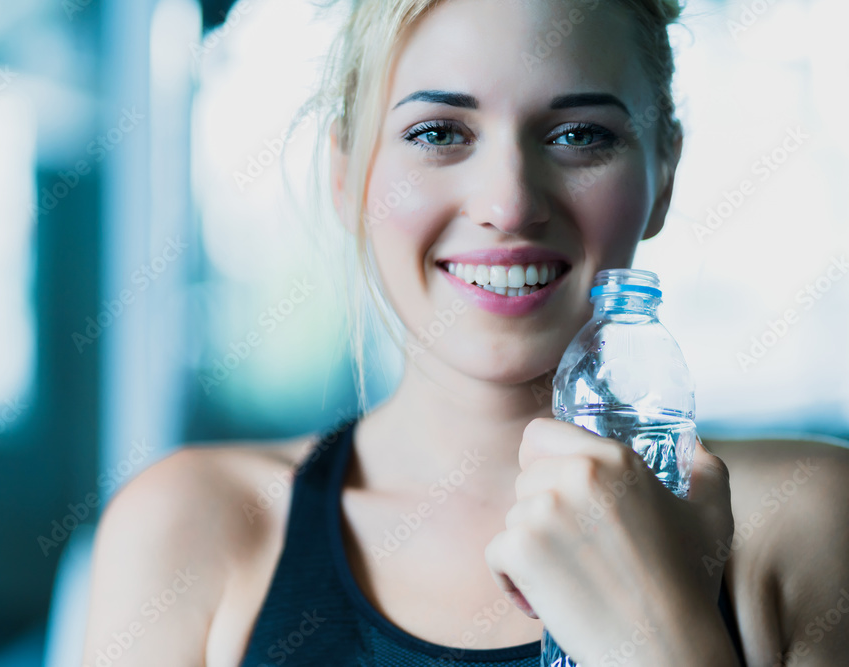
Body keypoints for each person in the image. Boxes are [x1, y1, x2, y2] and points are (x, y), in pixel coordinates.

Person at [82, 1, 849, 665]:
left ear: (665, 172)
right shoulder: (190, 527)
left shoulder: (806, 518)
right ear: (347, 176)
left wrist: (665, 639)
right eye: (439, 132)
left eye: (580, 134)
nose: (509, 204)